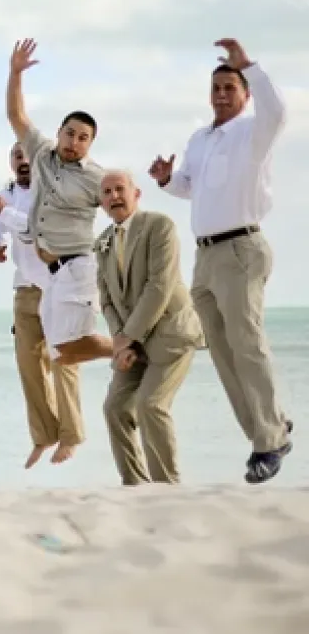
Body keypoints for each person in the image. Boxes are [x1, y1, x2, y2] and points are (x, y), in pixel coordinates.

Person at [149, 38, 292, 484]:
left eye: (231, 86)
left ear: (245, 92)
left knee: (247, 345)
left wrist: (248, 64)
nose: (222, 93)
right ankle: (268, 433)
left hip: (242, 249)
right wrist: (166, 179)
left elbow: (279, 110)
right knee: (224, 354)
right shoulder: (200, 138)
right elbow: (190, 187)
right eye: (216, 87)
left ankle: (268, 441)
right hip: (206, 257)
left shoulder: (254, 131)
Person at [5, 39, 113, 379]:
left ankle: (134, 346)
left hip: (78, 268)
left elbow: (123, 213)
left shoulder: (97, 178)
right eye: (70, 134)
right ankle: (130, 349)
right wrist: (16, 73)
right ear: (59, 133)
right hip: (52, 274)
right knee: (61, 356)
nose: (74, 142)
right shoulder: (40, 152)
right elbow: (16, 114)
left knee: (69, 348)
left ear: (90, 144)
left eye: (83, 138)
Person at [96, 171, 203, 486]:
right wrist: (120, 342)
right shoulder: (101, 242)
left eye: (120, 189)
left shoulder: (160, 226)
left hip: (172, 333)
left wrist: (128, 337)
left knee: (151, 404)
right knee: (114, 407)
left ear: (136, 193)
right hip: (131, 341)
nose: (114, 196)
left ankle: (167, 487)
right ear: (100, 201)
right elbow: (106, 301)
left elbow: (159, 287)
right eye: (107, 192)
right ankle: (136, 486)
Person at [0, 143, 83, 468]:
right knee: (28, 365)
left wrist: (3, 211)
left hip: (58, 285)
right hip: (24, 289)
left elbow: (33, 228)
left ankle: (71, 436)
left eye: (27, 155)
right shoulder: (5, 194)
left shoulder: (53, 188)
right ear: (11, 161)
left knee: (62, 361)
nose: (22, 161)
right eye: (16, 156)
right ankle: (44, 436)